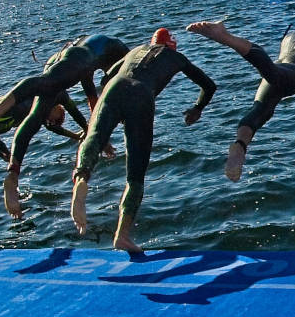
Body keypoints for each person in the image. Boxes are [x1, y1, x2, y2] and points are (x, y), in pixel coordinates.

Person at [69, 29, 214, 248]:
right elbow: (209, 86)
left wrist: (108, 119)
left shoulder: (135, 50)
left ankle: (81, 179)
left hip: (114, 88)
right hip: (142, 95)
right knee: (135, 176)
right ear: (172, 46)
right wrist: (197, 108)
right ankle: (122, 235)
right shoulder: (177, 57)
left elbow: (106, 78)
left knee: (95, 136)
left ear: (152, 42)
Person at [0, 36, 128, 218]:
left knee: (35, 116)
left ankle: (12, 175)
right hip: (72, 57)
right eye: (59, 118)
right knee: (43, 85)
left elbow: (92, 109)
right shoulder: (117, 58)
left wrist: (100, 136)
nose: (56, 120)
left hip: (66, 58)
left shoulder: (85, 69)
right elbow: (94, 105)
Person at [183, 20, 295, 182]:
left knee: (260, 108)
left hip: (279, 72)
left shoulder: (289, 36)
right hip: (294, 75)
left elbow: (294, 63)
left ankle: (240, 144)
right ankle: (225, 37)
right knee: (273, 79)